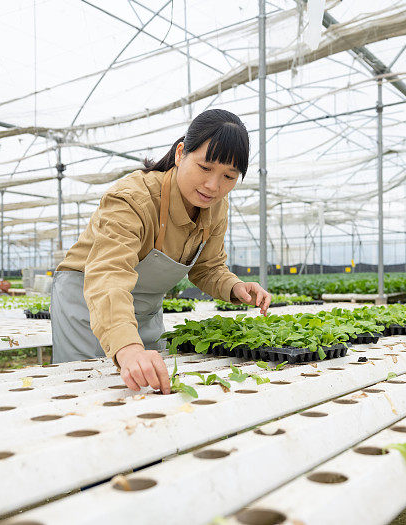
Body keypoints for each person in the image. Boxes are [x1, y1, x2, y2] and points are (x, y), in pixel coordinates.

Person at [50, 109, 271, 394]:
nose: (213, 186)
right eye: (205, 168)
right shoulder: (132, 199)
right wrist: (128, 348)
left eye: (229, 176)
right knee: (88, 395)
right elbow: (108, 274)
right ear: (180, 154)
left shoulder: (216, 208)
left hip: (144, 310)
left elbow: (208, 266)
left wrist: (234, 286)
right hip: (88, 304)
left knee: (152, 394)